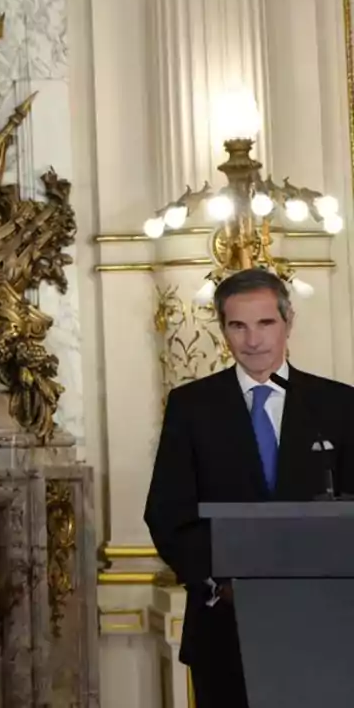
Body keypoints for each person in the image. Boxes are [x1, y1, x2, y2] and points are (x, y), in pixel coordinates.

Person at [144, 267, 354, 708]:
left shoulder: (340, 404)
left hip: (325, 625)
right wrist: (221, 584)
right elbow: (168, 512)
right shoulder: (190, 406)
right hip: (225, 626)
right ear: (222, 328)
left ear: (288, 322)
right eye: (238, 325)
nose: (252, 339)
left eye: (265, 323)